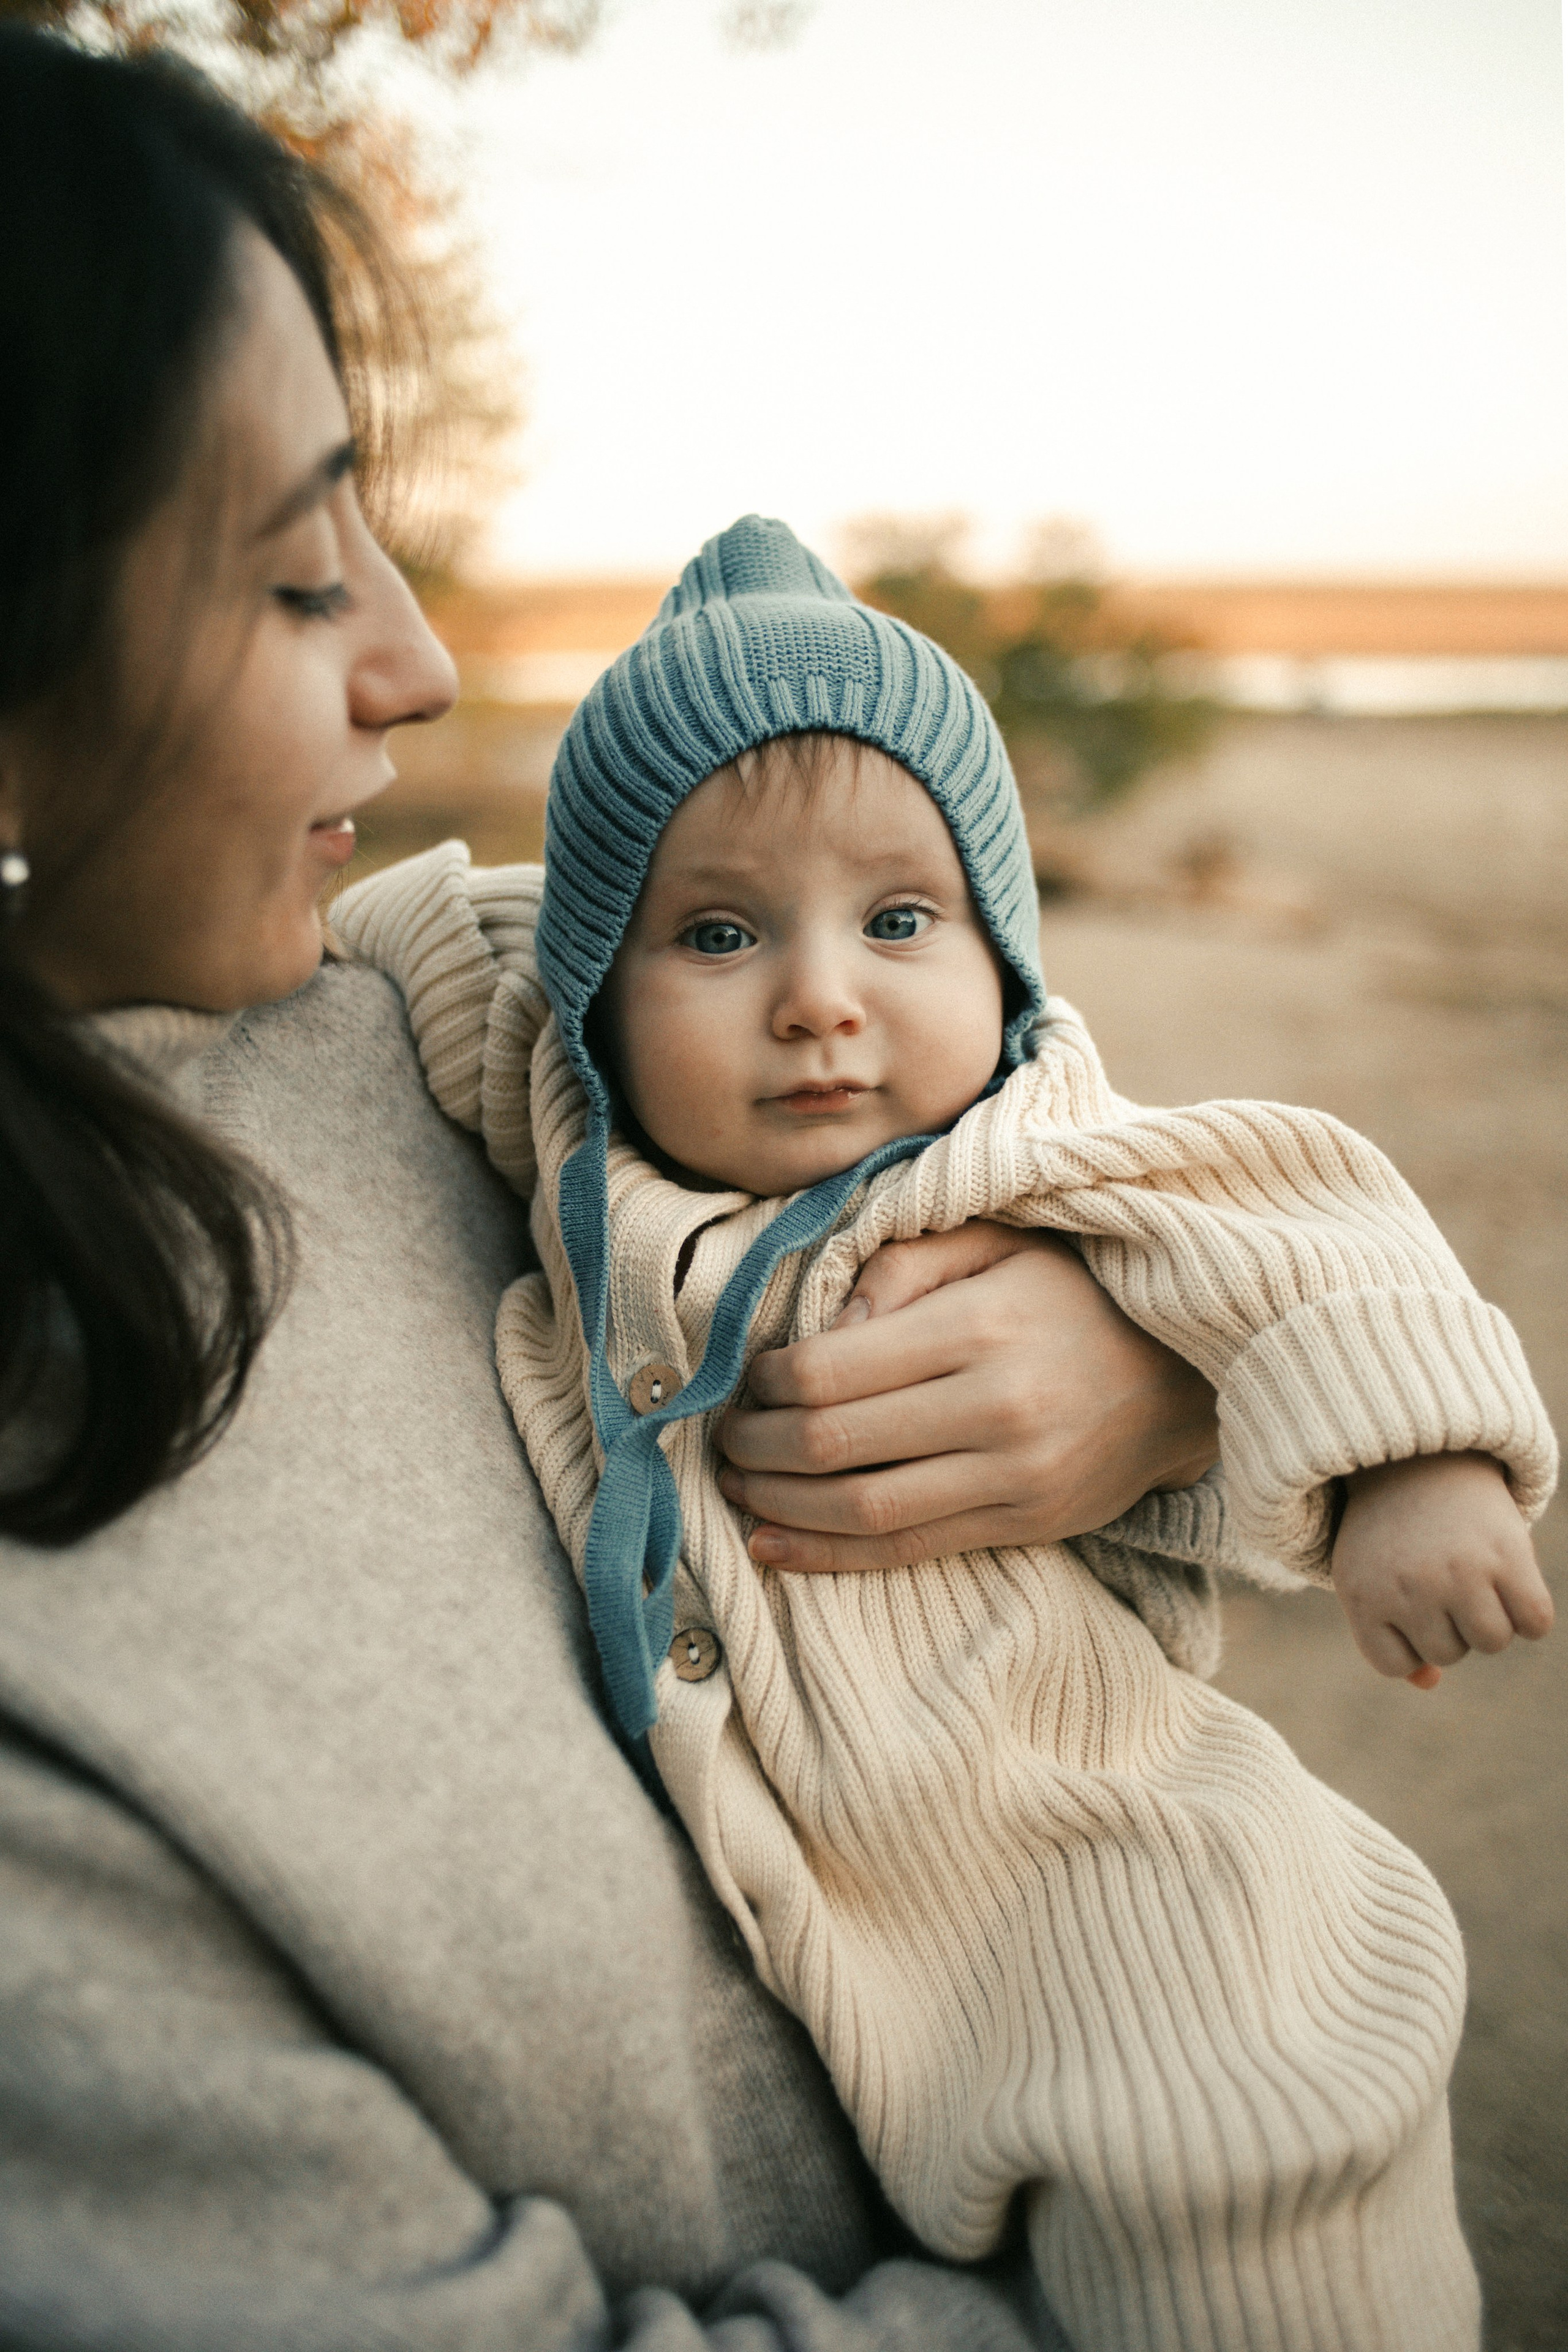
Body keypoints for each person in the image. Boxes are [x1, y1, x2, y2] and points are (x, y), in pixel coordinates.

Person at [0, 31, 1310, 2351]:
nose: (413, 662)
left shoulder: (380, 1014)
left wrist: (1133, 1349)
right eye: (297, 576)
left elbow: (1004, 1079)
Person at [334, 514, 1556, 2352]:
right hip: (852, 1939)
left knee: (1248, 2209)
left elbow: (1317, 1223)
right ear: (592, 994)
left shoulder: (1039, 1155)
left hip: (1119, 1884)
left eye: (902, 922)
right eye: (720, 935)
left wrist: (1422, 1472)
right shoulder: (568, 1129)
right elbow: (408, 930)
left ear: (1002, 957)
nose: (821, 996)